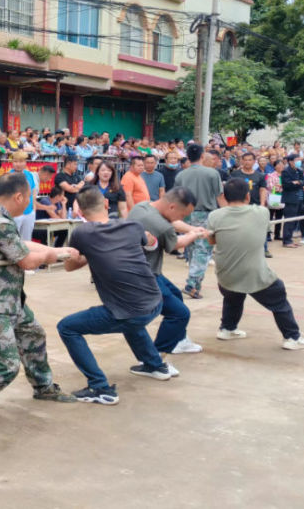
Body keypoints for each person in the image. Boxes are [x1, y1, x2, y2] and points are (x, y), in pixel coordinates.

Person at [58, 186, 175, 406]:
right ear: (105, 204)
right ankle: (154, 365)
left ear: (80, 213)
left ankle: (100, 388)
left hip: (131, 311)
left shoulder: (82, 233)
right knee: (128, 315)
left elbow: (70, 266)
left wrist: (85, 256)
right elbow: (149, 242)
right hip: (155, 301)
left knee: (67, 327)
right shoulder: (132, 225)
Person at [0, 173, 78, 406]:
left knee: (33, 334)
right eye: (30, 197)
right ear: (19, 197)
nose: (30, 201)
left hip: (9, 300)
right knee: (7, 365)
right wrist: (52, 255)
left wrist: (56, 249)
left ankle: (43, 386)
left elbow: (19, 246)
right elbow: (26, 261)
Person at [207, 179, 304, 350]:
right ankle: (293, 337)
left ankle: (227, 328)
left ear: (224, 197)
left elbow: (212, 240)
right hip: (254, 273)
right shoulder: (262, 213)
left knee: (233, 296)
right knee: (278, 297)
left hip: (225, 273)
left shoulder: (214, 216)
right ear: (248, 196)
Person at [127, 188, 208, 355]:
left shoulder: (142, 207)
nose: (182, 218)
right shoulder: (162, 226)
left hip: (142, 269)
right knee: (180, 314)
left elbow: (173, 223)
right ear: (172, 207)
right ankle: (155, 357)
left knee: (176, 295)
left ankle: (179, 339)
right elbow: (175, 243)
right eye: (183, 214)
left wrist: (192, 229)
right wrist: (193, 236)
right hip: (144, 276)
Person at [174, 143, 224, 299]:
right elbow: (219, 196)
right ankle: (192, 283)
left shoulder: (181, 175)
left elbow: (176, 198)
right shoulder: (212, 173)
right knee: (203, 251)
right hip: (205, 215)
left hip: (186, 215)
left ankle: (194, 282)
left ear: (187, 157)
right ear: (203, 156)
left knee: (191, 248)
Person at [280, 154, 304, 248]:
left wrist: (297, 182)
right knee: (289, 220)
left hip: (299, 198)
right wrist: (297, 183)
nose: (299, 162)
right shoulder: (286, 171)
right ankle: (286, 241)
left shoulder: (299, 170)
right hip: (290, 199)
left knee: (295, 220)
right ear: (290, 161)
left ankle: (290, 239)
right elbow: (287, 185)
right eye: (297, 160)